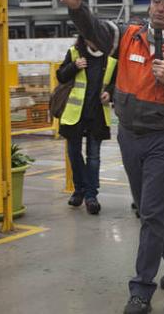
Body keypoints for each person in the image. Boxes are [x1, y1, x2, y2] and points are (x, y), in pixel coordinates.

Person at [61, 0, 164, 314]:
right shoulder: (128, 35)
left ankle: (141, 290)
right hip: (129, 136)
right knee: (147, 210)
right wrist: (77, 9)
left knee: (153, 212)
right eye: (157, 0)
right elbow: (95, 30)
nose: (160, 7)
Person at [56, 36, 117, 215]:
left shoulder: (111, 58)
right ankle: (79, 189)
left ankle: (91, 196)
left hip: (97, 116)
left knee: (93, 158)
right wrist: (74, 66)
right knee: (73, 154)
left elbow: (117, 82)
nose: (94, 40)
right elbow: (60, 76)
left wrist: (109, 93)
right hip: (75, 115)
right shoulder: (74, 52)